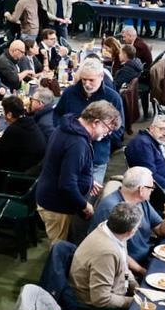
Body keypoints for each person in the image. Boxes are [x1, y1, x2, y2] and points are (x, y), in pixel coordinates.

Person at [36, 100, 120, 243]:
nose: (108, 133)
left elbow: (63, 165)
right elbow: (67, 185)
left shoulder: (68, 127)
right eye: (108, 128)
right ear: (96, 122)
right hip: (56, 205)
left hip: (52, 197)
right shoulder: (77, 143)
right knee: (58, 249)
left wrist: (87, 181)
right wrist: (84, 205)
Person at [91, 166, 165, 274]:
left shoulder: (142, 201)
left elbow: (161, 231)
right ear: (141, 190)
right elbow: (114, 251)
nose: (153, 190)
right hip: (127, 268)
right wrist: (143, 271)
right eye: (151, 187)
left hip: (147, 257)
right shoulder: (111, 209)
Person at [56, 58, 125, 186]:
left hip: (96, 160)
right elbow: (58, 114)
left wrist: (99, 135)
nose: (87, 84)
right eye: (84, 80)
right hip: (69, 155)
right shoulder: (70, 93)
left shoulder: (113, 98)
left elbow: (119, 130)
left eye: (91, 80)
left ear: (101, 76)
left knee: (89, 199)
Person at [69, 202, 142, 310]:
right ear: (130, 232)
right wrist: (135, 303)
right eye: (138, 226)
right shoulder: (106, 253)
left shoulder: (112, 230)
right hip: (96, 307)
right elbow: (101, 299)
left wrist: (136, 288)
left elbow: (124, 268)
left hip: (118, 289)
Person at [125, 114, 165, 193]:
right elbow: (151, 176)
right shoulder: (143, 144)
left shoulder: (154, 141)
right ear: (151, 128)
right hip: (161, 191)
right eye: (162, 129)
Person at [0, 96, 45, 174]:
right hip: (33, 169)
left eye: (3, 112)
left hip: (18, 175)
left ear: (9, 114)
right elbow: (11, 144)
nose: (3, 115)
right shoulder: (30, 122)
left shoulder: (14, 129)